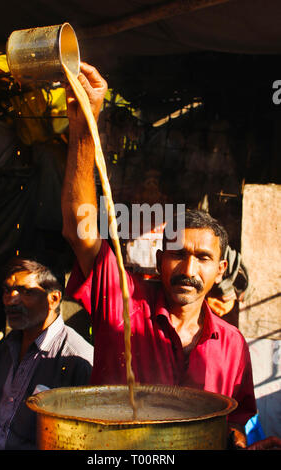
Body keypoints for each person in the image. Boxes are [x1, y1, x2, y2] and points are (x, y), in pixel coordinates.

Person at [62, 62, 257, 448]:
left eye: (202, 258)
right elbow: (77, 226)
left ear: (220, 270)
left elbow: (235, 420)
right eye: (177, 254)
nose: (188, 269)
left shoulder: (233, 344)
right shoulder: (122, 300)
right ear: (157, 261)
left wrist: (236, 440)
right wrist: (85, 122)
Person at [0, 257, 93, 450]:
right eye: (7, 290)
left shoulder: (78, 359)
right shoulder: (9, 345)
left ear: (54, 298)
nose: (11, 299)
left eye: (26, 292)